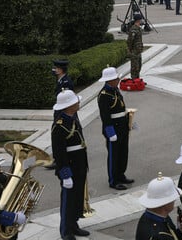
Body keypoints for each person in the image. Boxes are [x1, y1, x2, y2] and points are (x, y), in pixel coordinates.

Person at [51, 89, 90, 240]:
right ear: (69, 105)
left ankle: (74, 224)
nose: (79, 102)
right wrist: (65, 174)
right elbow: (59, 153)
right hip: (70, 166)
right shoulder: (59, 125)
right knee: (68, 200)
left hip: (79, 164)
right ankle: (66, 231)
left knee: (77, 197)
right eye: (76, 101)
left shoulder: (72, 118)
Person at [97, 67, 133, 190]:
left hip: (122, 126)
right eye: (116, 78)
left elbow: (121, 108)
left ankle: (121, 174)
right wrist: (110, 132)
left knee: (123, 153)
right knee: (114, 155)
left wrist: (129, 121)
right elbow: (105, 116)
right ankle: (113, 180)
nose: (118, 79)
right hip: (114, 129)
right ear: (110, 80)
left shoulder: (115, 90)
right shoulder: (104, 95)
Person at [135, 174, 182, 240]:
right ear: (165, 203)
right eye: (172, 199)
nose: (174, 200)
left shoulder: (157, 217)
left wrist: (181, 231)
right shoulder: (158, 236)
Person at [127, 13, 144, 79]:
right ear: (138, 20)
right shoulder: (134, 29)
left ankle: (137, 80)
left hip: (138, 51)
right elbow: (130, 41)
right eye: (141, 19)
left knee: (139, 66)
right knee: (134, 67)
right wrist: (130, 51)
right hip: (134, 52)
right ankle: (134, 80)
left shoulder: (138, 28)